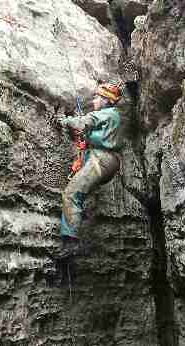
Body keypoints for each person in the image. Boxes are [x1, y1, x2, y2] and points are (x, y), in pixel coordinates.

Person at [57, 83, 125, 258]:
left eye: (97, 97)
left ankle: (70, 243)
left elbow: (81, 123)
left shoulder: (106, 113)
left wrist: (63, 120)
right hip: (108, 162)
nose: (94, 100)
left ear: (106, 100)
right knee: (80, 193)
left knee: (71, 193)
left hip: (100, 159)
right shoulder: (114, 116)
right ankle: (79, 219)